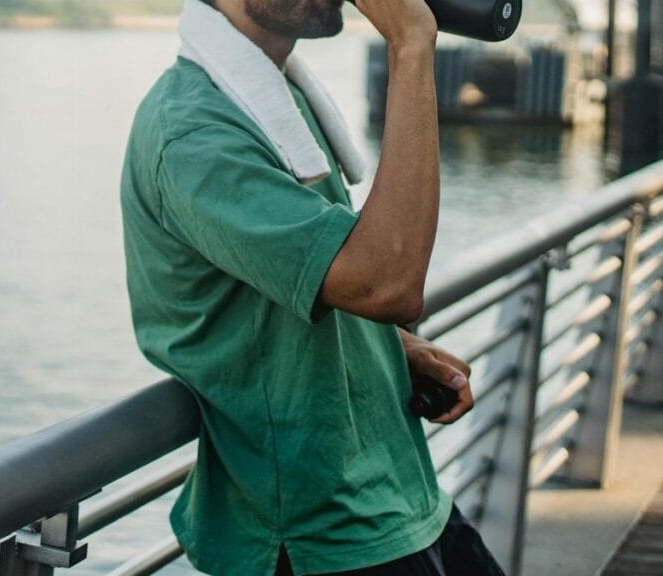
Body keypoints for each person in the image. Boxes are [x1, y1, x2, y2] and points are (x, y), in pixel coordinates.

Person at [120, 0, 506, 574]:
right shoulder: (195, 133)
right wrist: (410, 44)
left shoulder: (266, 93)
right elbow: (388, 284)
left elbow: (299, 284)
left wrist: (387, 349)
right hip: (317, 533)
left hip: (397, 497)